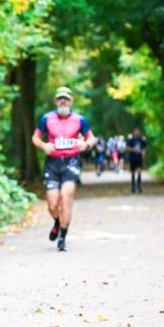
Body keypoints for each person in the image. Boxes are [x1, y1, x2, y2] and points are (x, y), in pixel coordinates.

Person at [32, 87, 95, 252]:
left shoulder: (79, 119)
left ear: (71, 101)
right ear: (55, 101)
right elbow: (35, 137)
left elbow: (91, 137)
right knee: (52, 205)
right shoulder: (47, 118)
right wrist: (44, 145)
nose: (63, 101)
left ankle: (62, 239)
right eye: (60, 99)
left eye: (66, 99)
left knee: (66, 198)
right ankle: (57, 222)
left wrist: (85, 144)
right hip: (52, 163)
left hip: (71, 162)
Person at [126, 128, 147, 193]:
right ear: (133, 132)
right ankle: (133, 186)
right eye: (135, 131)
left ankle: (139, 185)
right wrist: (133, 149)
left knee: (139, 171)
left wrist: (143, 153)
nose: (137, 132)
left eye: (138, 131)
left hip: (139, 158)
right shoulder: (131, 140)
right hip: (133, 158)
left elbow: (144, 147)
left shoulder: (141, 140)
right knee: (133, 172)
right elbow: (127, 148)